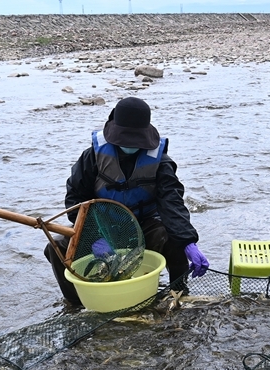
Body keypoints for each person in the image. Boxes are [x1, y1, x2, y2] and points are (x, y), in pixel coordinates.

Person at [47, 97, 208, 306]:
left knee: (174, 239)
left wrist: (188, 241)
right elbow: (75, 200)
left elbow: (172, 203)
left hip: (144, 225)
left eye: (135, 140)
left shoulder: (161, 162)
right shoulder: (91, 157)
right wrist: (94, 236)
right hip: (102, 227)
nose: (130, 145)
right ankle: (76, 305)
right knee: (56, 246)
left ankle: (178, 295)